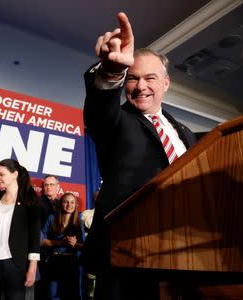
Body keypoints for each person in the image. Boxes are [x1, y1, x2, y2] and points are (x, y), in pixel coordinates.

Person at [82, 12, 197, 299]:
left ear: (166, 83)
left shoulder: (186, 132)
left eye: (150, 78)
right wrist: (110, 73)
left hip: (185, 246)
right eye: (132, 78)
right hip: (127, 251)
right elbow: (98, 112)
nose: (141, 86)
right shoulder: (117, 120)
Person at [0, 158, 41, 300]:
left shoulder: (30, 202)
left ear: (15, 174)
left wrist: (32, 267)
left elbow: (34, 237)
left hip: (14, 262)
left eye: (2, 174)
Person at [41, 192, 84, 300]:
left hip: (72, 263)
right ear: (61, 204)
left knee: (72, 295)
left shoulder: (79, 221)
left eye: (72, 202)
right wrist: (60, 243)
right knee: (53, 296)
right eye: (66, 202)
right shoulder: (52, 218)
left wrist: (75, 244)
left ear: (76, 205)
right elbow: (41, 241)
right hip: (54, 262)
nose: (69, 205)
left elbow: (84, 245)